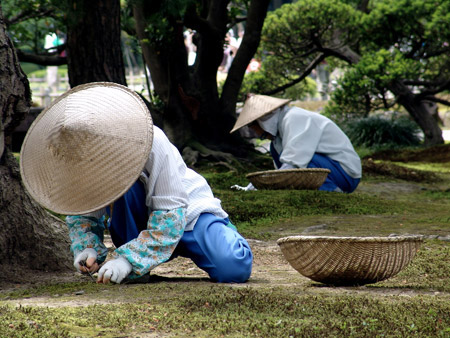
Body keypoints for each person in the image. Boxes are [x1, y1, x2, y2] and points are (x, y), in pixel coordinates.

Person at [20, 82, 253, 284]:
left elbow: (171, 213)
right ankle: (134, 264)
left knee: (233, 268)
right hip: (137, 221)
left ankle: (221, 232)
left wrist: (128, 260)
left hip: (189, 213)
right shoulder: (76, 160)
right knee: (126, 193)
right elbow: (83, 210)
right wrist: (88, 249)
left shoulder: (151, 140)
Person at [230, 94, 361, 193]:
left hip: (345, 173)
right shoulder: (277, 141)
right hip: (331, 167)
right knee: (281, 154)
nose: (255, 132)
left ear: (263, 120)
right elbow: (282, 171)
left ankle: (332, 193)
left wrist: (256, 186)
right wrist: (251, 188)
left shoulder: (295, 118)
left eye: (252, 125)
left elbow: (294, 163)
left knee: (304, 162)